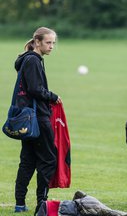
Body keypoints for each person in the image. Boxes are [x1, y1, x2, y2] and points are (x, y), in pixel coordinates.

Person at [13, 27, 62, 214]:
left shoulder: (27, 59)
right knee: (48, 159)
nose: (51, 46)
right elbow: (35, 89)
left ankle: (20, 203)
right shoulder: (33, 60)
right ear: (37, 42)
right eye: (48, 42)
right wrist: (52, 96)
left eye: (53, 43)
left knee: (28, 160)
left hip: (29, 117)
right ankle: (42, 202)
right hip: (38, 118)